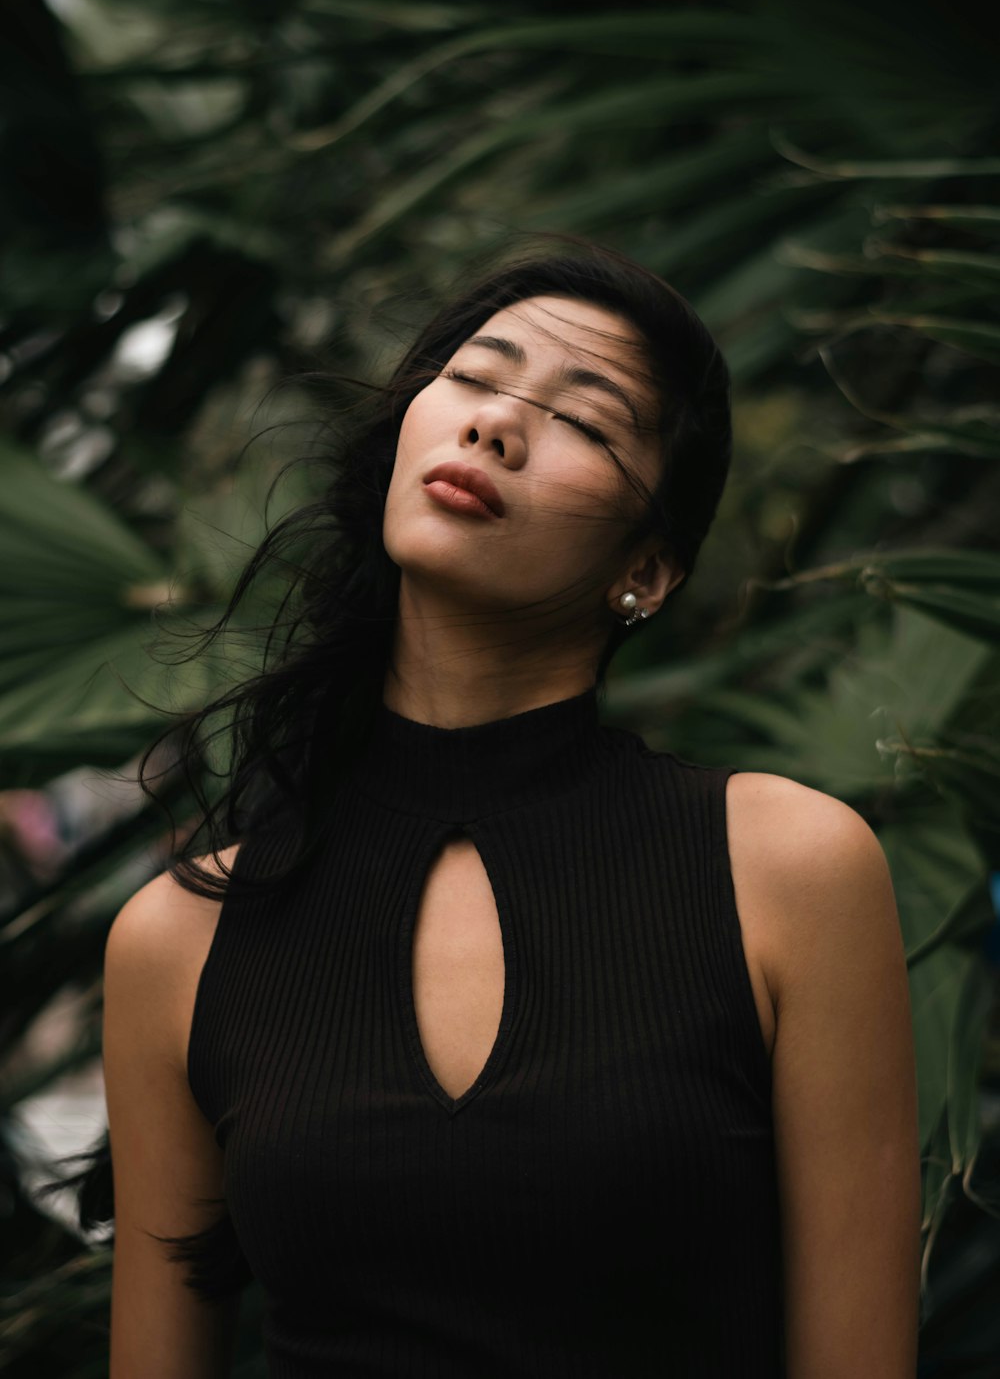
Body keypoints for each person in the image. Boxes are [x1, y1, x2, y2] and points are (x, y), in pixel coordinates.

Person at [85, 237, 920, 1375]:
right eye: (475, 378)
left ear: (649, 569)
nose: (492, 426)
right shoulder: (177, 941)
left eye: (585, 420)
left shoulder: (790, 872)